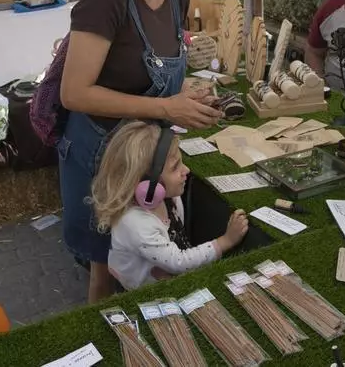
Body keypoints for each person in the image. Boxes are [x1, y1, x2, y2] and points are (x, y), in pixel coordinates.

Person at [59, 0, 223, 302]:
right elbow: (73, 93)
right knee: (103, 275)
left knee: (150, 272)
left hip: (147, 160)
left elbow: (154, 74)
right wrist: (168, 108)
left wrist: (186, 94)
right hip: (101, 161)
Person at [92, 121, 248, 291]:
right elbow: (178, 262)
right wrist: (226, 241)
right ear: (146, 184)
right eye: (175, 167)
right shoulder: (136, 224)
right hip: (145, 288)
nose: (186, 170)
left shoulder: (166, 196)